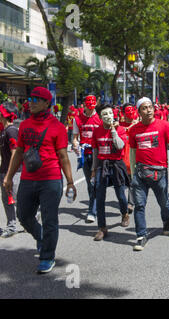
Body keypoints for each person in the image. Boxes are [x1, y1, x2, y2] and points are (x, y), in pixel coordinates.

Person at [3, 87, 77, 274]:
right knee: (23, 215)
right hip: (28, 179)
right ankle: (42, 237)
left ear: (47, 103)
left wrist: (69, 182)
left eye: (38, 99)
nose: (33, 102)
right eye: (31, 98)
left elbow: (63, 156)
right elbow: (19, 152)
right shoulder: (25, 125)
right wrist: (9, 177)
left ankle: (47, 256)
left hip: (50, 180)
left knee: (49, 219)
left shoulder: (57, 126)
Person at [129, 97, 169, 251]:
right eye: (144, 108)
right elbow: (132, 152)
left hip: (160, 173)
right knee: (139, 205)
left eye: (151, 107)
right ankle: (141, 235)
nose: (149, 110)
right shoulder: (134, 130)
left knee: (164, 203)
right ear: (139, 111)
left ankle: (166, 222)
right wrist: (133, 173)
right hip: (140, 173)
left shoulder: (164, 125)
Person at [90, 104, 129, 241]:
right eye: (105, 114)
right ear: (100, 117)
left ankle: (124, 213)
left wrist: (113, 131)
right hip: (102, 165)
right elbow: (95, 151)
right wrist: (93, 170)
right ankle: (102, 227)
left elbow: (119, 145)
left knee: (120, 194)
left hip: (116, 165)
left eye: (110, 113)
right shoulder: (97, 131)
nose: (108, 116)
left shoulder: (121, 129)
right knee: (100, 197)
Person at [72, 95, 102, 223]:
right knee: (90, 184)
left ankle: (92, 211)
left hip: (98, 154)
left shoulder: (100, 118)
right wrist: (75, 144)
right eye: (88, 102)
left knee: (96, 183)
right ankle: (94, 208)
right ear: (83, 104)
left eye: (93, 102)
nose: (90, 104)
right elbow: (74, 137)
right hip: (85, 154)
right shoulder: (77, 119)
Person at [0, 102, 20, 238]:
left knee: (18, 199)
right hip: (4, 171)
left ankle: (33, 215)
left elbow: (15, 153)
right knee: (7, 199)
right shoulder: (3, 131)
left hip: (14, 172)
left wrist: (9, 175)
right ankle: (11, 226)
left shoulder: (11, 131)